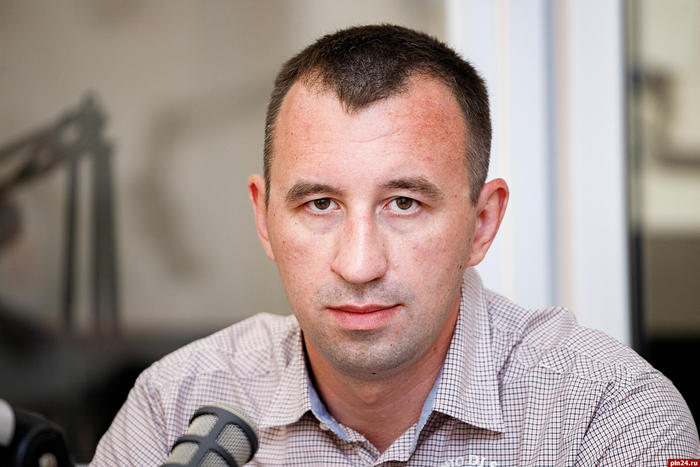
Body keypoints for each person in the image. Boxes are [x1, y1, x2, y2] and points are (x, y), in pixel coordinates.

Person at [91, 24, 699, 466]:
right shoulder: (177, 405)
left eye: (404, 203)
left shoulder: (606, 416)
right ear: (264, 218)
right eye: (319, 204)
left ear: (482, 223)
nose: (359, 264)